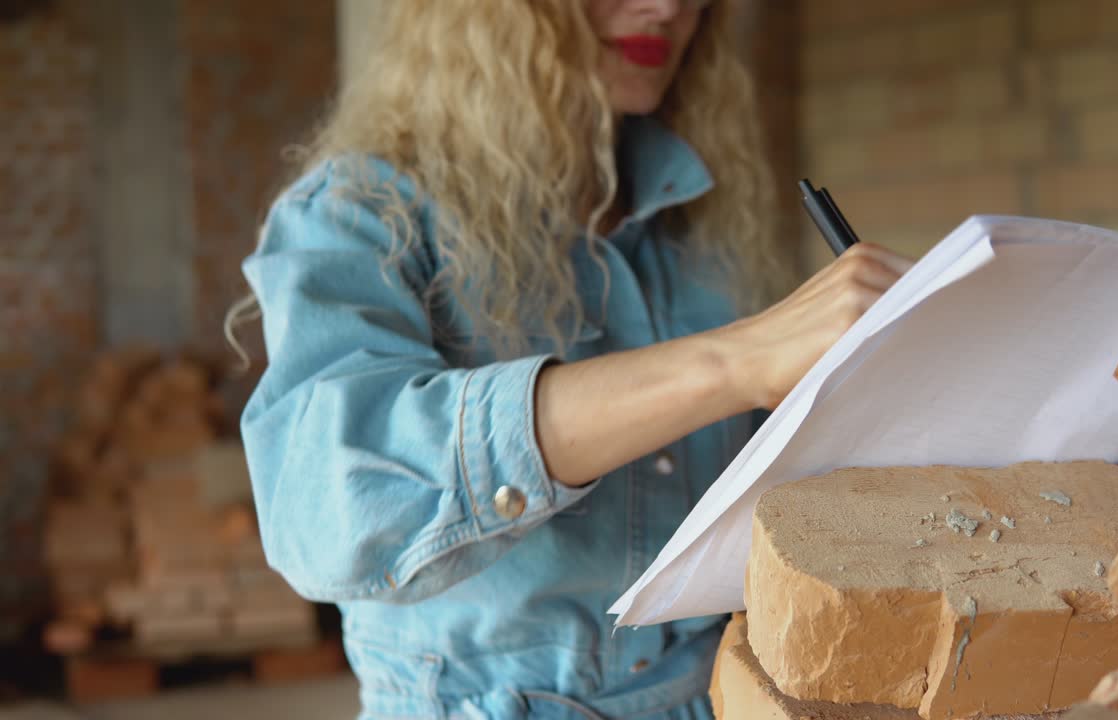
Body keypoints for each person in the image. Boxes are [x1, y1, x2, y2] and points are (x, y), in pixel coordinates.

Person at [229, 0, 913, 717]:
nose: (667, 6)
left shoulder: (708, 221)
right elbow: (327, 516)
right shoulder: (359, 214)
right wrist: (728, 365)